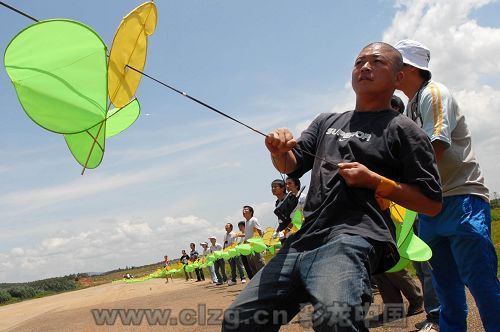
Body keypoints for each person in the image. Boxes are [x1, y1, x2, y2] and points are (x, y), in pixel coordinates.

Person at [222, 42, 442, 331]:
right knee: (240, 321)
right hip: (303, 240)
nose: (365, 67)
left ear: (398, 78)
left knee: (335, 319)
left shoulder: (404, 129)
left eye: (377, 62)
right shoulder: (326, 121)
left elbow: (431, 202)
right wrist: (278, 150)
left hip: (354, 237)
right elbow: (291, 164)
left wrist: (374, 181)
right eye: (359, 61)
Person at [395, 39, 500, 332]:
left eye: (394, 64)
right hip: (431, 206)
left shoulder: (434, 93)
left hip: (461, 197)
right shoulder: (409, 108)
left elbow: (437, 142)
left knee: (479, 278)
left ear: (410, 68)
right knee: (443, 282)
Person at [242, 205, 266, 275]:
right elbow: (248, 234)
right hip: (248, 246)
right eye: (243, 210)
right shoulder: (246, 222)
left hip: (254, 245)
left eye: (246, 209)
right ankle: (256, 280)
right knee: (252, 264)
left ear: (251, 212)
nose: (244, 211)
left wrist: (260, 243)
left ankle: (264, 277)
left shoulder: (253, 220)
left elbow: (259, 231)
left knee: (259, 262)